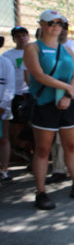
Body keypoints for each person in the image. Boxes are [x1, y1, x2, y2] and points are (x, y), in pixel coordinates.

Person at [23, 9, 74, 210]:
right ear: (42, 24)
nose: (56, 26)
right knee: (43, 150)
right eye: (51, 22)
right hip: (44, 104)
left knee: (71, 146)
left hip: (66, 104)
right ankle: (40, 192)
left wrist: (67, 96)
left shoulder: (68, 50)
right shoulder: (32, 48)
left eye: (59, 23)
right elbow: (38, 75)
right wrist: (67, 89)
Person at [47, 17, 74, 183]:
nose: (61, 29)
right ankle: (59, 169)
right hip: (52, 100)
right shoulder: (46, 47)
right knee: (57, 139)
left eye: (64, 26)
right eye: (57, 25)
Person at [2, 26, 32, 162]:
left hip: (31, 93)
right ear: (14, 39)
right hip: (15, 94)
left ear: (28, 36)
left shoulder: (34, 51)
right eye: (18, 36)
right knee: (18, 127)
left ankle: (30, 153)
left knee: (32, 126)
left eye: (24, 35)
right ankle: (21, 151)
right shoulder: (7, 56)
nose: (21, 38)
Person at [0, 35, 15, 182]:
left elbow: (10, 86)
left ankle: (4, 169)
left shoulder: (5, 62)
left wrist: (3, 105)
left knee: (4, 139)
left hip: (2, 108)